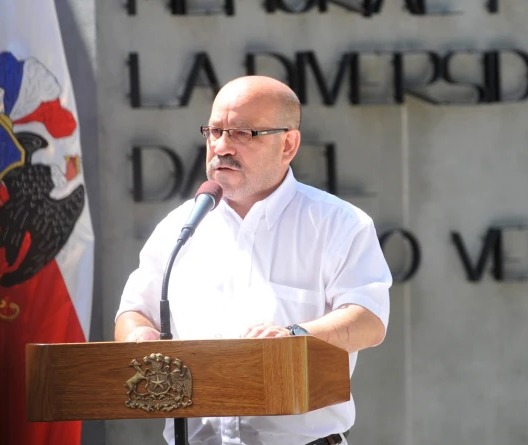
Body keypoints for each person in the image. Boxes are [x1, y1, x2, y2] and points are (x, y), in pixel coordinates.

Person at [115, 75, 393, 445]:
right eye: (214, 132)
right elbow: (134, 311)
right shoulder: (179, 228)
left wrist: (294, 337)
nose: (221, 147)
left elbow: (368, 319)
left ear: (288, 144)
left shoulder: (338, 223)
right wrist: (139, 336)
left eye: (242, 133)